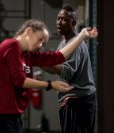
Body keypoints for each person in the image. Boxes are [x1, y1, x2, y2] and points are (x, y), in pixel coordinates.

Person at [0, 19, 98, 133]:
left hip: (13, 117)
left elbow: (58, 57)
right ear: (29, 31)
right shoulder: (11, 45)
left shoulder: (28, 55)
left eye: (44, 43)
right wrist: (50, 84)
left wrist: (81, 36)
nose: (40, 45)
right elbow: (19, 80)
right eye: (40, 39)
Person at [42, 4, 97, 133]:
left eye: (64, 19)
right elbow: (53, 68)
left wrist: (42, 60)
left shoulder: (75, 43)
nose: (59, 22)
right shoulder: (63, 43)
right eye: (58, 18)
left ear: (73, 22)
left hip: (78, 101)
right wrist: (38, 62)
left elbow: (67, 72)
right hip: (72, 100)